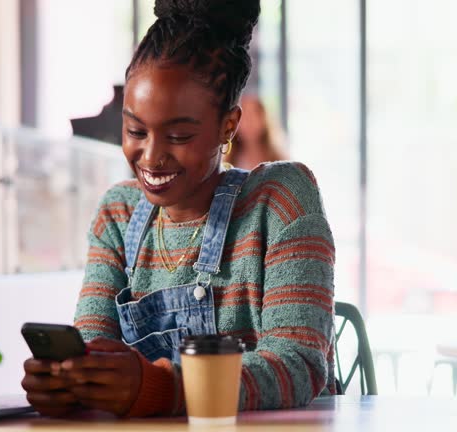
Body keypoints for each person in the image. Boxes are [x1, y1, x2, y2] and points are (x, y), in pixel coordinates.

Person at [21, 0, 336, 418]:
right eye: (135, 130)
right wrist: (73, 380)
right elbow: (94, 338)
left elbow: (298, 365)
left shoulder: (280, 201)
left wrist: (165, 388)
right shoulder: (118, 213)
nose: (150, 157)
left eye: (179, 135)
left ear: (228, 126)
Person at [224, 93, 288, 169]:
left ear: (264, 118)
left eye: (253, 115)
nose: (248, 122)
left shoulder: (280, 159)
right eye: (243, 117)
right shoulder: (229, 163)